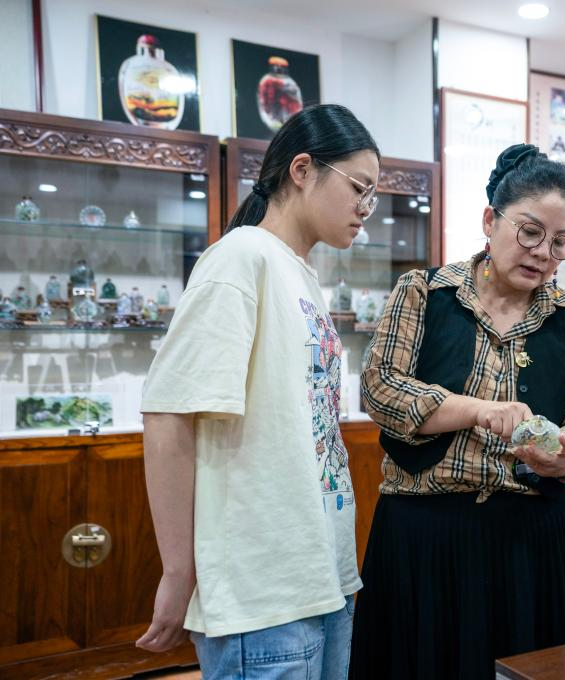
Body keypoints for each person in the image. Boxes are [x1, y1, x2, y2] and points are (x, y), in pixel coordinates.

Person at [135, 104, 380, 679]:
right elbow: (169, 417)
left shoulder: (298, 271)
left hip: (320, 576)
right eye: (359, 189)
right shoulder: (241, 258)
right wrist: (178, 573)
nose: (365, 210)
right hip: (263, 592)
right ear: (302, 170)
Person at [350, 143, 565, 679]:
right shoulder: (423, 293)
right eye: (530, 231)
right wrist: (478, 411)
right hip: (427, 537)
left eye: (560, 242)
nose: (543, 252)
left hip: (533, 540)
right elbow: (378, 390)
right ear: (491, 220)